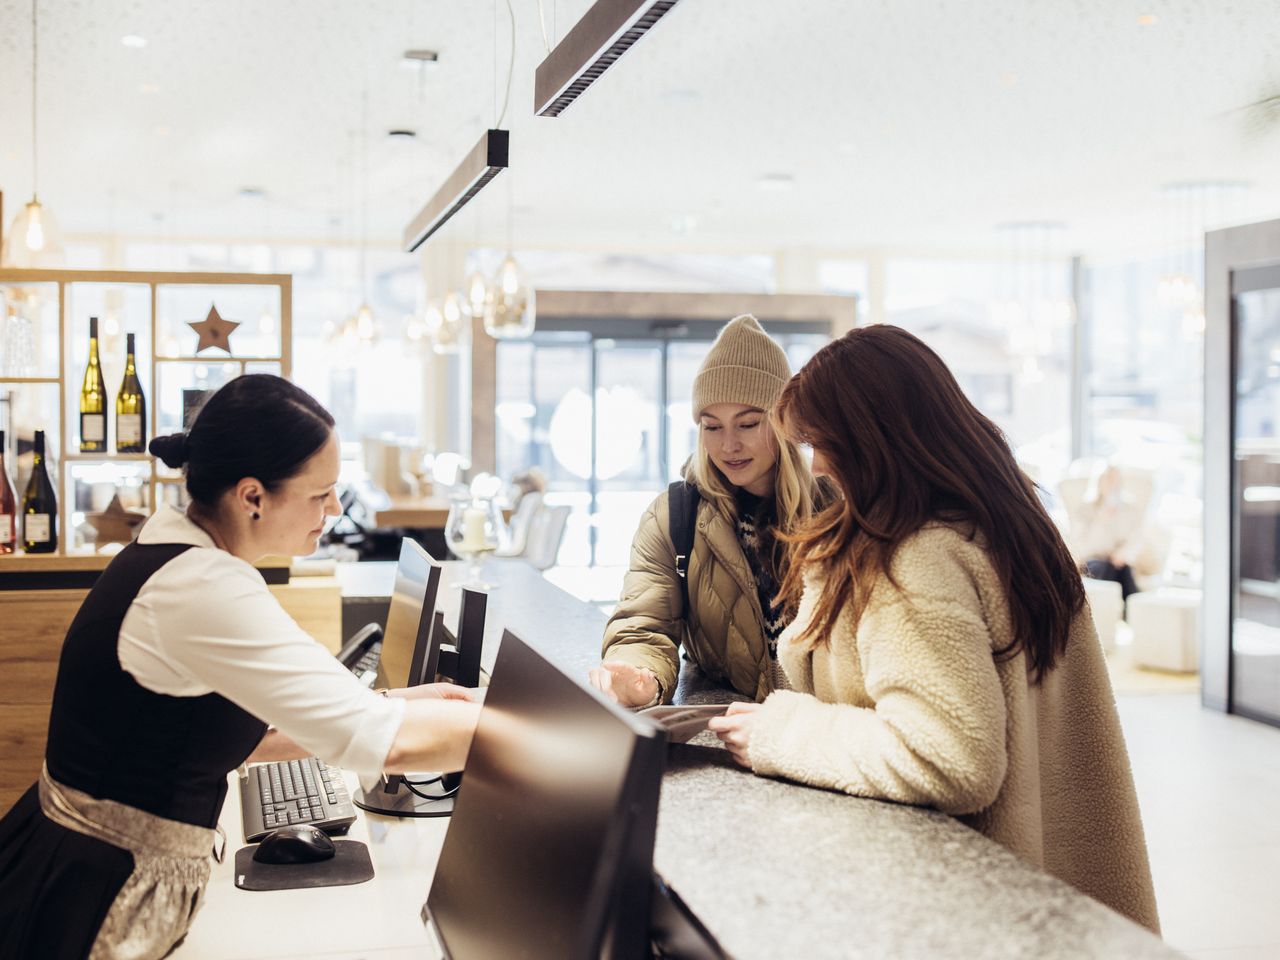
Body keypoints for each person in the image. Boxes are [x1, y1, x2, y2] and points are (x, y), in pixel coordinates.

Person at [0, 375, 481, 960]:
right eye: (320, 494)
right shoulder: (201, 585)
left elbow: (231, 732)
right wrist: (541, 731)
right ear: (252, 496)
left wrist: (406, 703)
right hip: (98, 892)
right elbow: (386, 746)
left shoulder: (180, 556)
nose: (333, 510)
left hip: (75, 861)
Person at [707, 326, 1161, 933]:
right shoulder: (1009, 524)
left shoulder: (918, 556)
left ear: (872, 438)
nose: (817, 465)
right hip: (1057, 891)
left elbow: (950, 758)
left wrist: (784, 729)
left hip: (967, 904)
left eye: (823, 442)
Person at [590, 315, 824, 707]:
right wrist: (640, 677)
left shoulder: (836, 505)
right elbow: (643, 625)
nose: (728, 445)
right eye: (711, 427)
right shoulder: (673, 516)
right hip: (740, 731)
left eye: (748, 424)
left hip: (830, 730)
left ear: (783, 421)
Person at [1070, 464, 1144, 602]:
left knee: (1124, 571)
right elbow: (1082, 545)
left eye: (1116, 480)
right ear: (1099, 481)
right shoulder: (1085, 508)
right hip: (1093, 561)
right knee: (1106, 569)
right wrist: (1101, 521)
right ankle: (1110, 608)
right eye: (1108, 479)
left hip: (1119, 561)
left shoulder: (1128, 509)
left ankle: (1133, 610)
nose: (1112, 484)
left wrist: (1122, 555)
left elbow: (1135, 539)